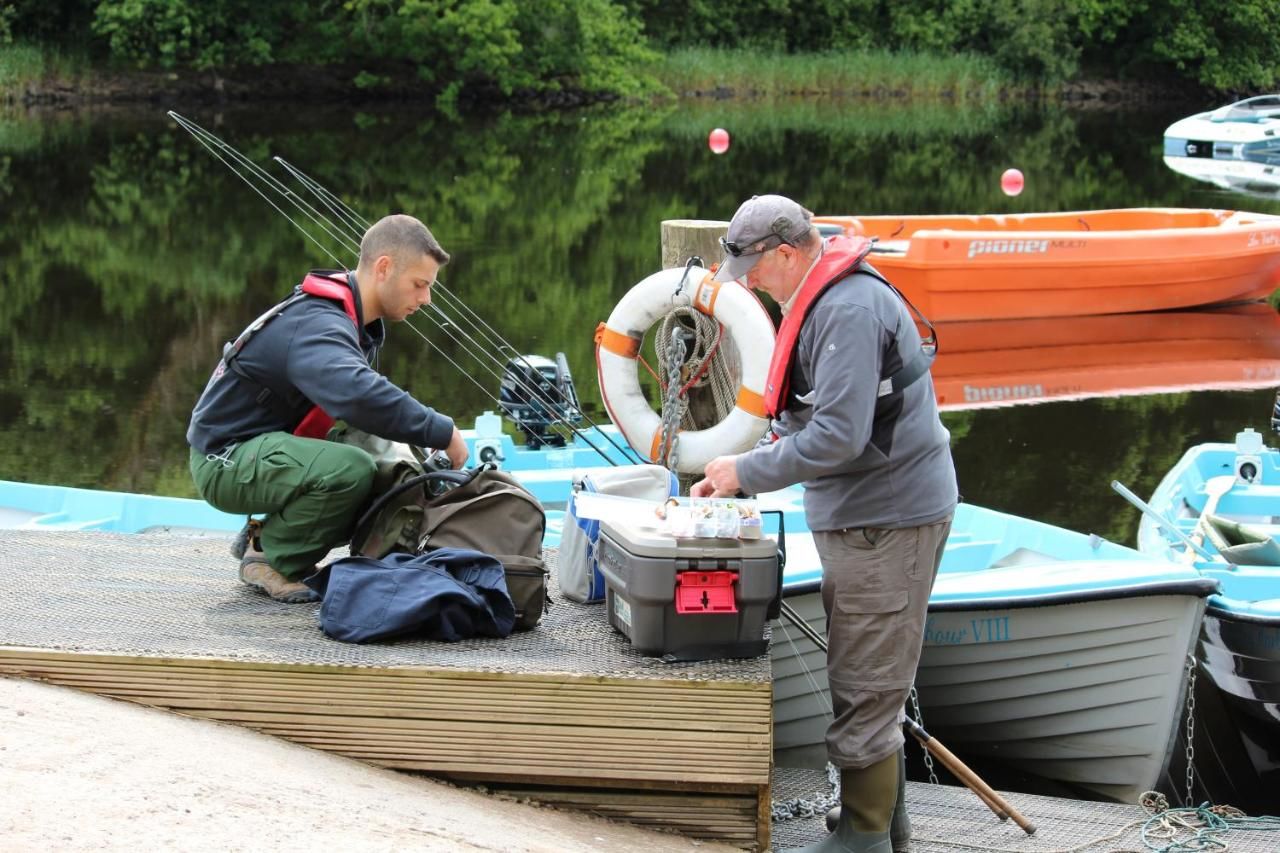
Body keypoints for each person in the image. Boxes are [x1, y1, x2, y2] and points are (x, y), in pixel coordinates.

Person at [692, 195, 957, 853]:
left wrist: (744, 473)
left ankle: (862, 839)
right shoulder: (818, 298)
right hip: (866, 515)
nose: (747, 282)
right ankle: (879, 832)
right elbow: (817, 417)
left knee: (867, 683)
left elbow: (839, 435)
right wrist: (748, 465)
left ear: (787, 253)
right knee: (866, 673)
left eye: (752, 268)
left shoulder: (847, 307)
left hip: (888, 519)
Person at [187, 214, 469, 604]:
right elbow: (357, 394)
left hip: (262, 448)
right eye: (420, 285)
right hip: (223, 458)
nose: (426, 299)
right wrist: (442, 430)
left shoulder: (353, 320)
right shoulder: (320, 322)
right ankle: (271, 557)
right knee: (350, 469)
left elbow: (365, 412)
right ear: (384, 268)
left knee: (388, 459)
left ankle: (267, 533)